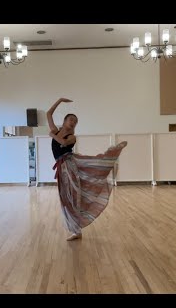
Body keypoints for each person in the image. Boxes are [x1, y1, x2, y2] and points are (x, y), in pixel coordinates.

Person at [47, 98, 127, 241]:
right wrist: (59, 100)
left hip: (69, 166)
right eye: (71, 119)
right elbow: (48, 114)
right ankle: (76, 230)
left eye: (75, 122)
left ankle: (113, 153)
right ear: (64, 121)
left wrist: (52, 135)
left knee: (72, 197)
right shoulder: (56, 130)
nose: (73, 122)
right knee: (65, 199)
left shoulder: (71, 137)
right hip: (61, 168)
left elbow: (63, 142)